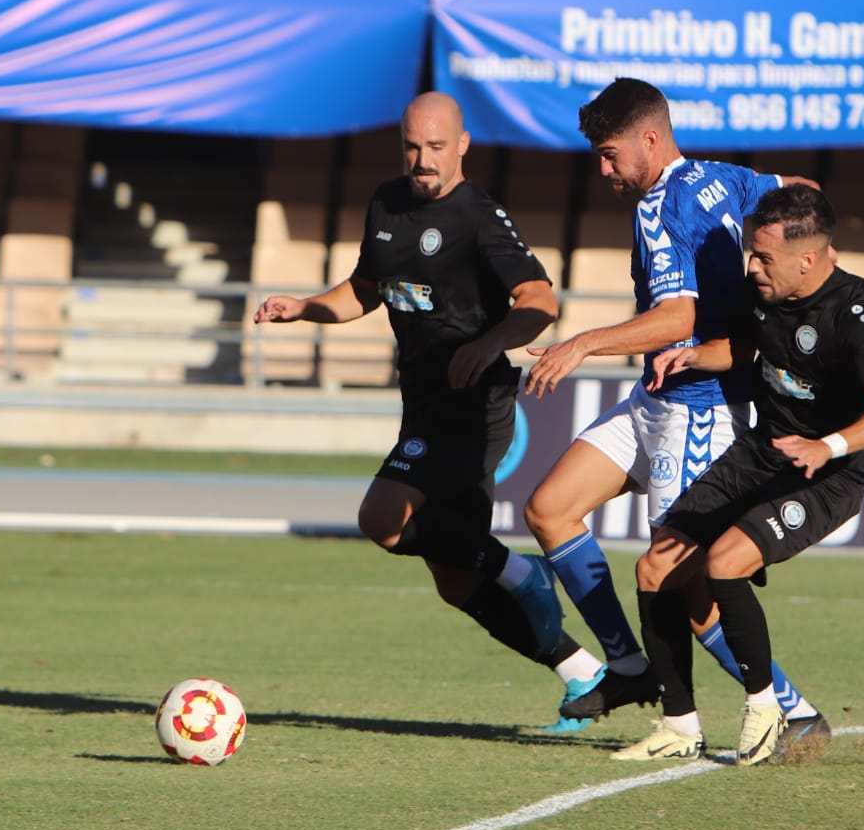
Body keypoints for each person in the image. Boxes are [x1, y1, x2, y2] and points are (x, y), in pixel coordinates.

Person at [255, 92, 610, 719]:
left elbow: (539, 300)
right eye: (413, 147)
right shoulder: (387, 202)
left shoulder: (479, 216)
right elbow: (367, 289)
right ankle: (578, 670)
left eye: (437, 147)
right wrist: (305, 306)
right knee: (455, 582)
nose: (423, 160)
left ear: (463, 145)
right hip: (422, 402)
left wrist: (491, 342)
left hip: (475, 407)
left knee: (381, 517)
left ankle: (517, 570)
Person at [519, 77, 825, 744]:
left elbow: (675, 316)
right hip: (655, 397)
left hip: (699, 410)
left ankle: (793, 712)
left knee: (687, 591)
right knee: (549, 508)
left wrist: (581, 343)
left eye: (609, 154)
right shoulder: (728, 176)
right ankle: (629, 665)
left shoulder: (660, 207)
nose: (603, 170)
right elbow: (806, 192)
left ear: (649, 140)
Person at [614, 183, 864, 764]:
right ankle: (678, 726)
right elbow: (744, 348)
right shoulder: (764, 291)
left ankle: (766, 706)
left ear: (809, 258)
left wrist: (828, 447)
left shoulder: (856, 307)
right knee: (655, 568)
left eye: (763, 257)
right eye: (753, 253)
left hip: (827, 474)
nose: (752, 266)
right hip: (762, 451)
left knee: (724, 564)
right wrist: (694, 355)